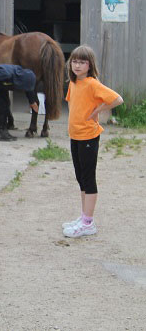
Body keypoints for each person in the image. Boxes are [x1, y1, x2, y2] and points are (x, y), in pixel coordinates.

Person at [62, 45, 122, 238]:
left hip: (89, 136)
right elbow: (73, 105)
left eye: (82, 62)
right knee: (81, 179)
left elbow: (117, 99)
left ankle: (88, 223)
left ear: (90, 65)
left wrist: (98, 110)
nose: (77, 65)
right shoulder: (73, 83)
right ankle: (84, 217)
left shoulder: (92, 83)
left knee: (88, 179)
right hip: (75, 136)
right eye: (75, 61)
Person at [0, 64, 40, 141]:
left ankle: (3, 131)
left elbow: (29, 90)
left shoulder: (24, 77)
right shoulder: (6, 73)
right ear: (20, 81)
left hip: (1, 86)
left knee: (6, 104)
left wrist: (32, 102)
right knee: (2, 106)